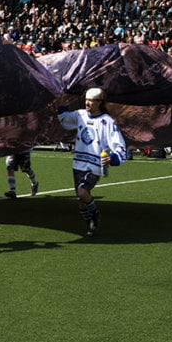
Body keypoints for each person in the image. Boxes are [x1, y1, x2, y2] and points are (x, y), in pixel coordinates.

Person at [57, 87, 127, 237]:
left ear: (100, 102)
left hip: (94, 165)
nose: (88, 103)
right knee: (81, 201)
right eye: (86, 100)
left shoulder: (107, 122)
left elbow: (119, 145)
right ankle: (90, 223)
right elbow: (64, 119)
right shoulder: (80, 115)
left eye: (92, 101)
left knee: (83, 192)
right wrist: (62, 103)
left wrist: (113, 158)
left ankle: (95, 216)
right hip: (78, 163)